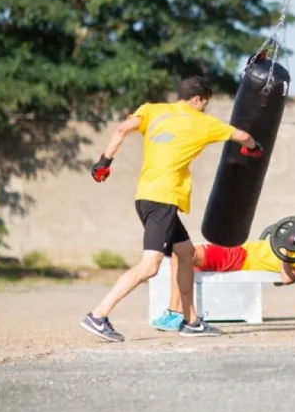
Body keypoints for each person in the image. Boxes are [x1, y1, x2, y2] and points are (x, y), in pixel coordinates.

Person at [80, 77, 263, 342]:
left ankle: (191, 322)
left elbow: (121, 129)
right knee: (150, 265)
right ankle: (98, 315)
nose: (204, 108)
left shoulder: (151, 109)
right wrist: (255, 149)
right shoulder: (203, 122)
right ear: (197, 99)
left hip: (146, 196)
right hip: (163, 200)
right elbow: (243, 137)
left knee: (185, 252)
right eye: (204, 104)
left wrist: (104, 162)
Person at [151, 237, 295, 330]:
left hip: (238, 257)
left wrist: (284, 254)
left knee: (182, 253)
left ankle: (175, 313)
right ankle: (175, 312)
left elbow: (285, 279)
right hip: (238, 250)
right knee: (181, 254)